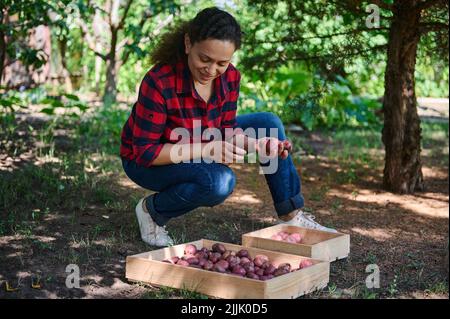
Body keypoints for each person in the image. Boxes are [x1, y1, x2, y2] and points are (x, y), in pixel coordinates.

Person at [120, 7, 336, 247]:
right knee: (219, 182)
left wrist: (257, 145)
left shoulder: (230, 77)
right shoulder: (159, 81)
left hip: (198, 138)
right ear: (188, 43)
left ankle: (291, 216)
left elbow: (227, 129)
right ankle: (152, 211)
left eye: (222, 63)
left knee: (268, 124)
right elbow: (145, 152)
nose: (211, 71)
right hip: (148, 161)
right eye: (205, 59)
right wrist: (207, 149)